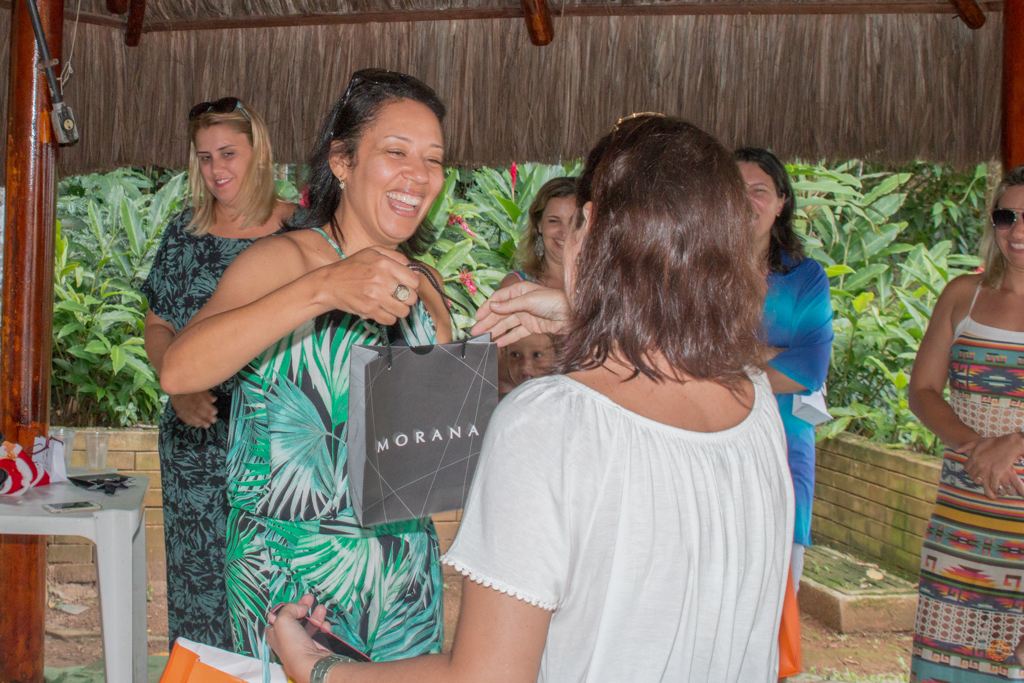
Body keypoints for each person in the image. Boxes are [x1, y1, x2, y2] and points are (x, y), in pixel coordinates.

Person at [266, 115, 795, 682]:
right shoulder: (750, 396)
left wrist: (318, 668)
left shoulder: (547, 424)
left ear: (587, 229)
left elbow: (485, 679)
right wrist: (582, 318)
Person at [159, 70, 453, 657]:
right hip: (295, 581)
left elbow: (437, 435)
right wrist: (320, 289)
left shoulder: (427, 283)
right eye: (395, 152)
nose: (418, 176)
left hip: (404, 571)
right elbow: (180, 370)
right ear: (342, 162)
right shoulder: (284, 259)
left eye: (433, 160)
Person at [141, 97, 295, 649]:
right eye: (204, 158)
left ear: (259, 154)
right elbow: (157, 324)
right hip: (196, 441)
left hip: (280, 445)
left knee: (280, 593)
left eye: (228, 153)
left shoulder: (301, 229)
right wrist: (177, 386)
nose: (216, 170)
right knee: (199, 587)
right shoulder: (185, 231)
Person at [907, 165, 1024, 681]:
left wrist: (1016, 442)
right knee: (947, 663)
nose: (1017, 233)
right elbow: (923, 392)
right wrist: (978, 446)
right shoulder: (963, 295)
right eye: (1007, 216)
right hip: (963, 513)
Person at [735, 148, 834, 588]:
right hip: (707, 442)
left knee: (778, 599)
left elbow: (810, 367)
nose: (746, 201)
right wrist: (772, 351)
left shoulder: (806, 277)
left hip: (784, 445)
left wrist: (726, 362)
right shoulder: (690, 271)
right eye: (734, 190)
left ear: (781, 203)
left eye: (759, 191)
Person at [497, 177, 576, 395]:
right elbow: (499, 377)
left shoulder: (606, 289)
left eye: (574, 221)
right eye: (554, 221)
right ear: (539, 225)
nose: (564, 232)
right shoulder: (517, 287)